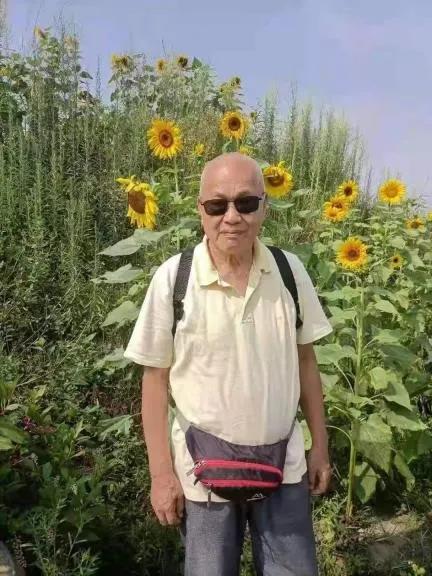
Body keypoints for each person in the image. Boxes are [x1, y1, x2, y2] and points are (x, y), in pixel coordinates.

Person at [124, 152, 333, 576]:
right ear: (200, 210)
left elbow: (306, 362)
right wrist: (161, 474)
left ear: (264, 207)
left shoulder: (289, 272)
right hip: (203, 479)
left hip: (284, 468)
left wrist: (321, 448)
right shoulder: (174, 279)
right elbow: (155, 382)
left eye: (246, 203)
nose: (232, 217)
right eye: (218, 205)